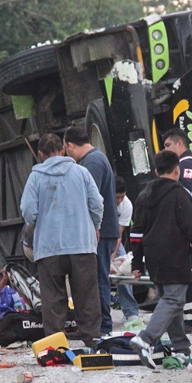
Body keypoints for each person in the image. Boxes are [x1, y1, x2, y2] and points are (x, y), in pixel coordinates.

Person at [20, 133, 104, 347]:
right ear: (63, 149)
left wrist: (37, 224)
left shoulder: (35, 177)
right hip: (82, 244)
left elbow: (28, 211)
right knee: (86, 296)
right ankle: (92, 339)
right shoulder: (81, 172)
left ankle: (55, 345)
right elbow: (97, 204)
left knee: (53, 299)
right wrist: (95, 226)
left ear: (40, 154)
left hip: (49, 247)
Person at [129, 150, 192, 368]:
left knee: (170, 301)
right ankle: (146, 339)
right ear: (177, 170)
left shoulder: (143, 195)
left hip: (153, 258)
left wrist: (137, 262)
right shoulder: (180, 194)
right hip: (175, 255)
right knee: (174, 299)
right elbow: (191, 228)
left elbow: (136, 232)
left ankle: (180, 347)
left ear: (156, 171)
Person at [63, 126, 119, 335]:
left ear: (70, 145)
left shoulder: (92, 163)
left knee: (97, 278)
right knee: (92, 278)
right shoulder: (93, 160)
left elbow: (92, 200)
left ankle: (102, 325)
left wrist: (93, 227)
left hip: (99, 232)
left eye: (65, 148)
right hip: (99, 230)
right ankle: (93, 324)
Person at [161, 128, 192, 333]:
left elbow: (184, 191)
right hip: (188, 223)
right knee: (185, 275)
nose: (167, 150)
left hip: (188, 223)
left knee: (185, 275)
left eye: (168, 145)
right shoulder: (184, 163)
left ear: (180, 144)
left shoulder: (186, 163)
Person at [113, 176, 144, 330]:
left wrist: (112, 259)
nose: (119, 201)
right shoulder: (101, 200)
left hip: (113, 239)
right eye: (116, 197)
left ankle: (130, 310)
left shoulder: (127, 206)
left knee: (124, 270)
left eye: (122, 197)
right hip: (94, 237)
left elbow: (118, 235)